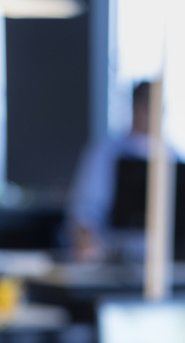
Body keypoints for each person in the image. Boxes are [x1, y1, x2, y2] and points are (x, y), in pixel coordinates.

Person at [66, 81, 151, 261]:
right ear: (136, 107)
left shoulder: (173, 156)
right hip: (116, 258)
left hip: (165, 260)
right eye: (148, 106)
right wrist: (87, 242)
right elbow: (85, 213)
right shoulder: (105, 153)